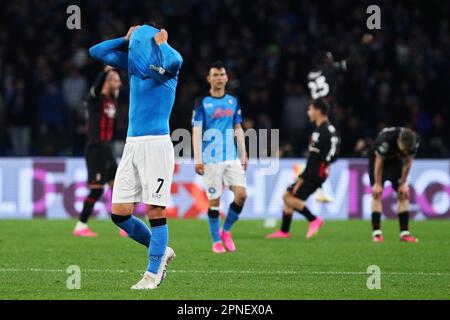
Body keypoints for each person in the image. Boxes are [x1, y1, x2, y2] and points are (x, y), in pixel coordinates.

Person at [89, 23, 183, 289]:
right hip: (132, 145)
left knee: (155, 209)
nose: (133, 48)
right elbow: (96, 51)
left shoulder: (167, 70)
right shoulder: (133, 65)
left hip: (156, 144)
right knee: (119, 213)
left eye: (136, 44)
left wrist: (162, 42)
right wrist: (124, 37)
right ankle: (161, 250)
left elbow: (177, 59)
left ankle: (152, 275)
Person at [307, 34, 373, 203]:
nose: (332, 61)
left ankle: (317, 186)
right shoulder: (329, 70)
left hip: (315, 115)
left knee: (320, 151)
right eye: (330, 59)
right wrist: (363, 45)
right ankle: (314, 183)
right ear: (325, 61)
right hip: (328, 115)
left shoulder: (310, 75)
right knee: (332, 152)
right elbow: (350, 63)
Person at [192, 61, 248, 253]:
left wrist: (244, 154)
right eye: (215, 75)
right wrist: (198, 158)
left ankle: (226, 231)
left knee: (241, 195)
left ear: (226, 78)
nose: (218, 78)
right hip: (211, 159)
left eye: (221, 74)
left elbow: (238, 127)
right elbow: (196, 131)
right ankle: (216, 240)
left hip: (231, 157)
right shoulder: (202, 102)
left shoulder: (233, 100)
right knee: (214, 201)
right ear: (209, 79)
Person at [266, 99, 339, 239]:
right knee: (290, 195)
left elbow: (314, 158)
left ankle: (313, 219)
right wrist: (325, 164)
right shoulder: (329, 129)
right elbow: (334, 155)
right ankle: (284, 231)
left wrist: (303, 176)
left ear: (318, 111)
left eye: (310, 109)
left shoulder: (321, 131)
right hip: (321, 170)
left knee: (287, 197)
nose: (308, 112)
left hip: (315, 171)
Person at [73, 66, 126, 237]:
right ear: (107, 82)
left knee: (117, 187)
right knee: (97, 189)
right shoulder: (94, 99)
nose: (119, 84)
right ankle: (81, 225)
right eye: (116, 81)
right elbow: (96, 88)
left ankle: (124, 224)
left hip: (107, 149)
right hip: (95, 148)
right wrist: (105, 71)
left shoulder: (112, 101)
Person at [369, 127, 420, 243]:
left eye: (407, 151)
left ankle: (405, 233)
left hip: (395, 161)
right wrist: (377, 183)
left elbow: (408, 161)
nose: (405, 153)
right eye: (403, 150)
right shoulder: (386, 140)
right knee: (377, 193)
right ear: (398, 142)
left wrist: (403, 182)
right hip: (377, 159)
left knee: (403, 193)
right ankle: (377, 234)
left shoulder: (414, 140)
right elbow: (379, 160)